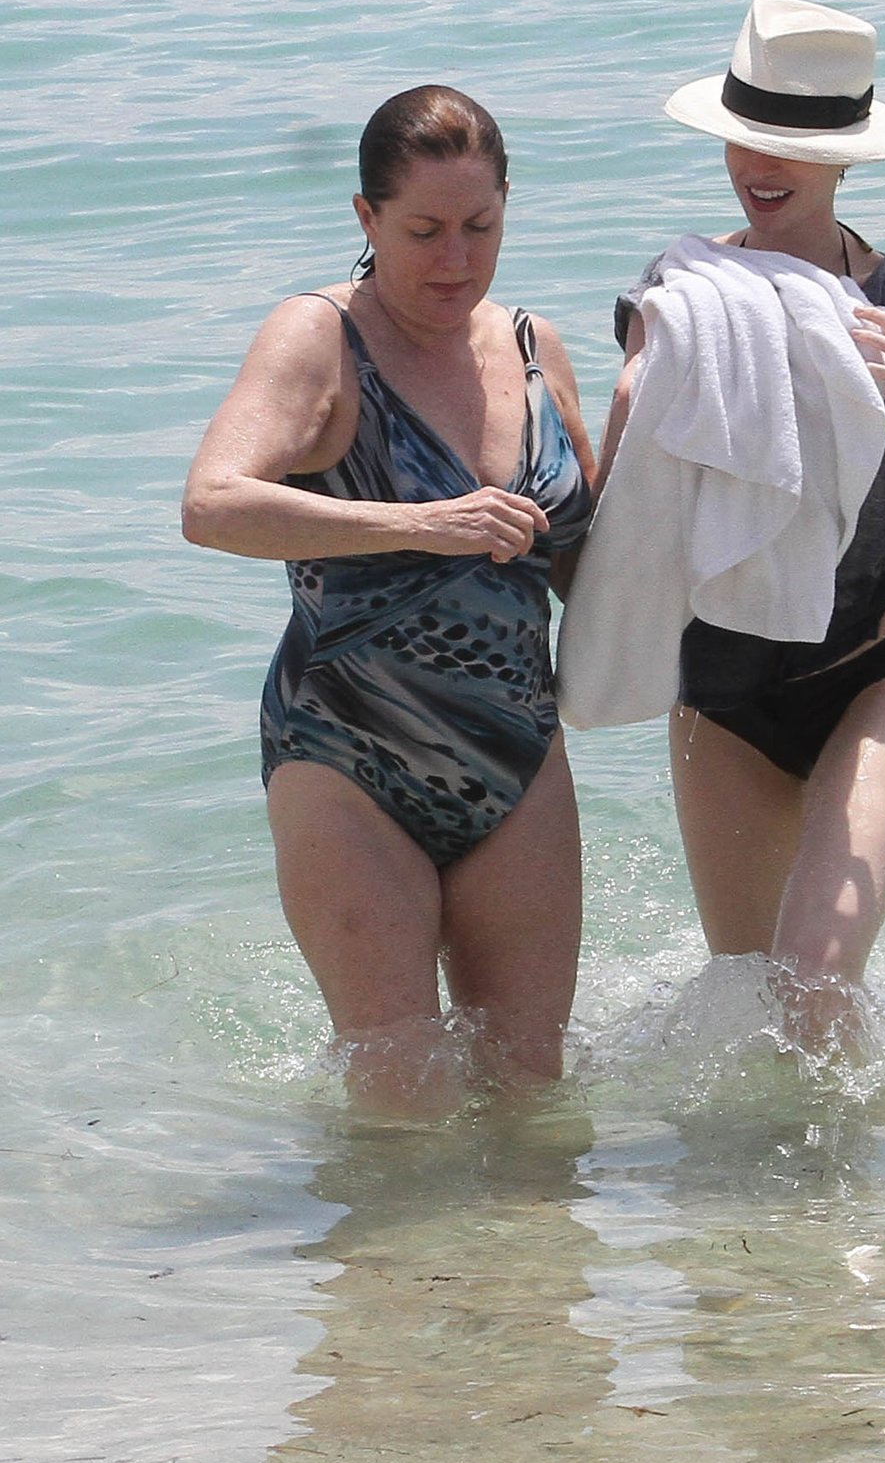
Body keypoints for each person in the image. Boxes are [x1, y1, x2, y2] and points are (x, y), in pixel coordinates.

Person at [561, 0, 885, 1047]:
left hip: (870, 677)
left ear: (848, 157)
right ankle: (757, 1214)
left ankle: (859, 1206)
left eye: (795, 143)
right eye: (748, 135)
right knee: (748, 1004)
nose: (763, 163)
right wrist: (623, 412)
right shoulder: (677, 297)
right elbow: (635, 525)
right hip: (721, 699)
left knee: (817, 985)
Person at [182, 85, 596, 1115]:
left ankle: (523, 1283)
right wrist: (424, 523)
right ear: (365, 219)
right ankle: (396, 1281)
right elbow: (213, 505)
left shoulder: (541, 350)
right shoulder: (318, 338)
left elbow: (590, 566)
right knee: (401, 1103)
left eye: (479, 226)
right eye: (423, 230)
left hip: (516, 755)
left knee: (532, 1092)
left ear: (509, 206)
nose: (454, 258)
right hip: (345, 754)